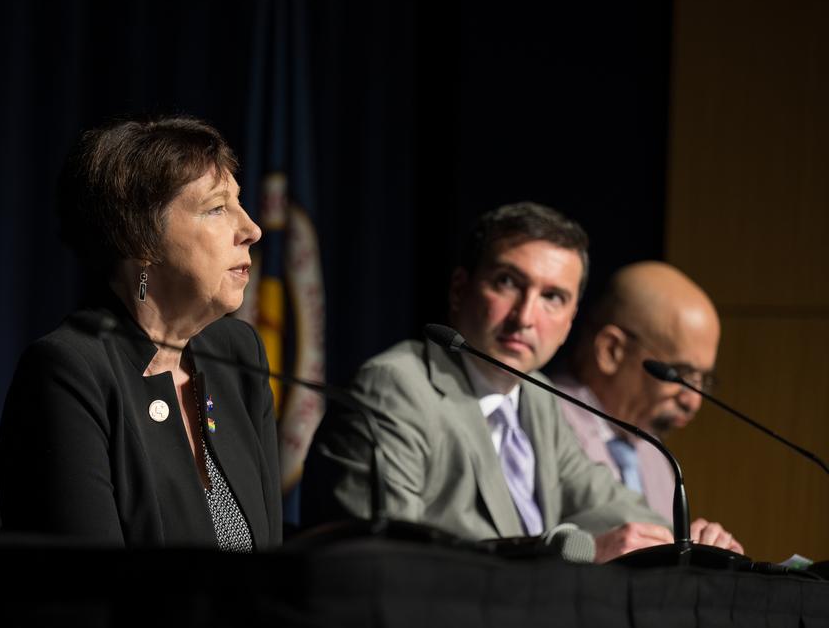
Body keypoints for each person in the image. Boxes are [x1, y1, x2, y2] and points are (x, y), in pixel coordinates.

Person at [303, 202, 742, 563]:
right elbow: (386, 560)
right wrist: (580, 551)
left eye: (552, 297)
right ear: (459, 290)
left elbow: (604, 502)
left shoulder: (535, 396)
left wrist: (689, 541)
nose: (525, 317)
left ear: (570, 321)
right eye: (508, 283)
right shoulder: (397, 389)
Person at [0, 115, 282, 549]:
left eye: (238, 203)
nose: (252, 230)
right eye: (217, 208)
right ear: (140, 239)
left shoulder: (239, 355)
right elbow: (80, 584)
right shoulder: (69, 374)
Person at [554, 262, 738, 552]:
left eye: (704, 380)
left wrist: (701, 550)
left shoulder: (655, 454)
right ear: (612, 350)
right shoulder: (541, 421)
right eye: (679, 375)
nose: (693, 401)